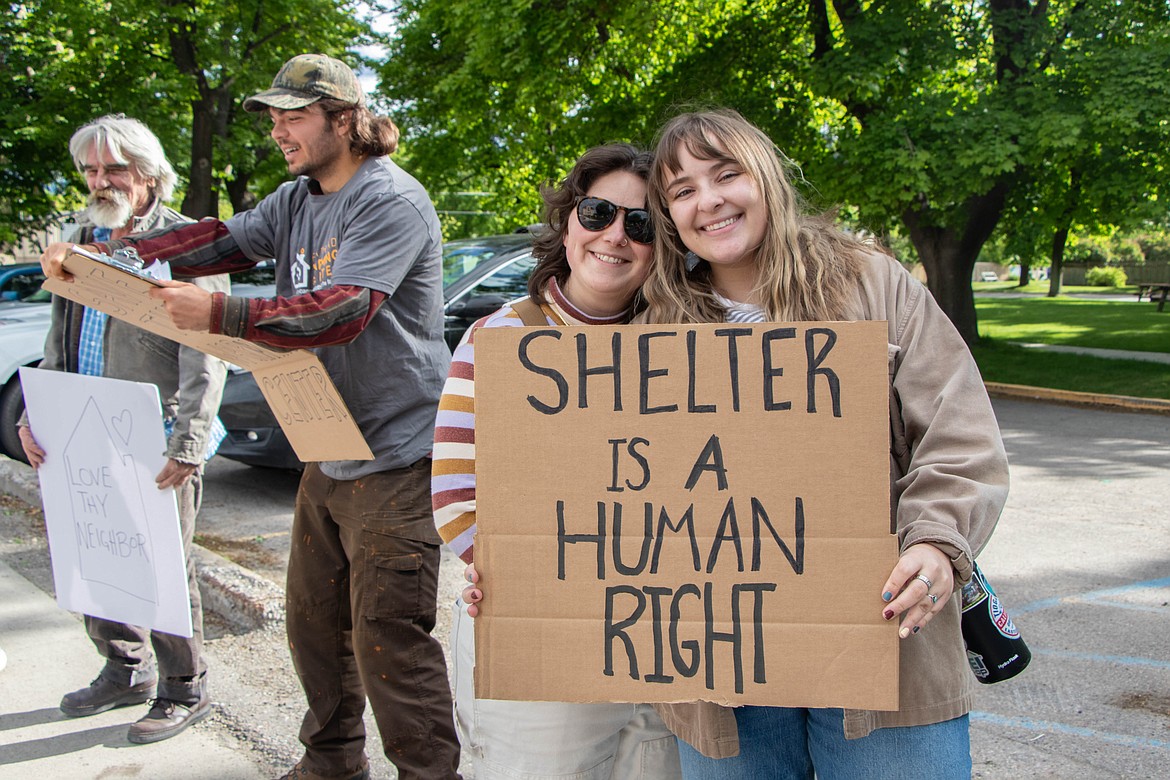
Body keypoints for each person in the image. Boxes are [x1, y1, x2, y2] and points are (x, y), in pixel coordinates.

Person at [40, 54, 459, 780]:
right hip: (326, 446)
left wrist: (223, 311)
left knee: (389, 643)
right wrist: (112, 250)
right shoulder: (297, 199)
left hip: (396, 454)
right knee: (313, 632)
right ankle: (330, 765)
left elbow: (345, 310)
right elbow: (222, 240)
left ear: (345, 119)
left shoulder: (390, 199)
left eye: (293, 116)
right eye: (272, 117)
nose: (277, 130)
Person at [639, 109, 1011, 778]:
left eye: (727, 174)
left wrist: (934, 542)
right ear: (669, 213)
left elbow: (961, 437)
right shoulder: (656, 320)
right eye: (683, 189)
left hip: (883, 644)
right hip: (722, 665)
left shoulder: (870, 283)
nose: (710, 200)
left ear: (769, 177)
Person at [432, 144, 683, 779]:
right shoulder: (500, 339)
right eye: (599, 212)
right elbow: (458, 496)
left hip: (663, 642)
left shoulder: (689, 349)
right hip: (539, 638)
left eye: (643, 223)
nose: (616, 236)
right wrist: (501, 563)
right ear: (569, 221)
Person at [19, 114, 229, 744]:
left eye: (114, 169)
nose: (100, 181)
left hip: (154, 430)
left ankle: (184, 687)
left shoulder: (189, 243)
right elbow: (58, 336)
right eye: (90, 170)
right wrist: (38, 410)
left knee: (162, 560)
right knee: (92, 547)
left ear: (147, 173)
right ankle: (123, 666)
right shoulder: (82, 237)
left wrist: (188, 443)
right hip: (80, 423)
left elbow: (208, 349)